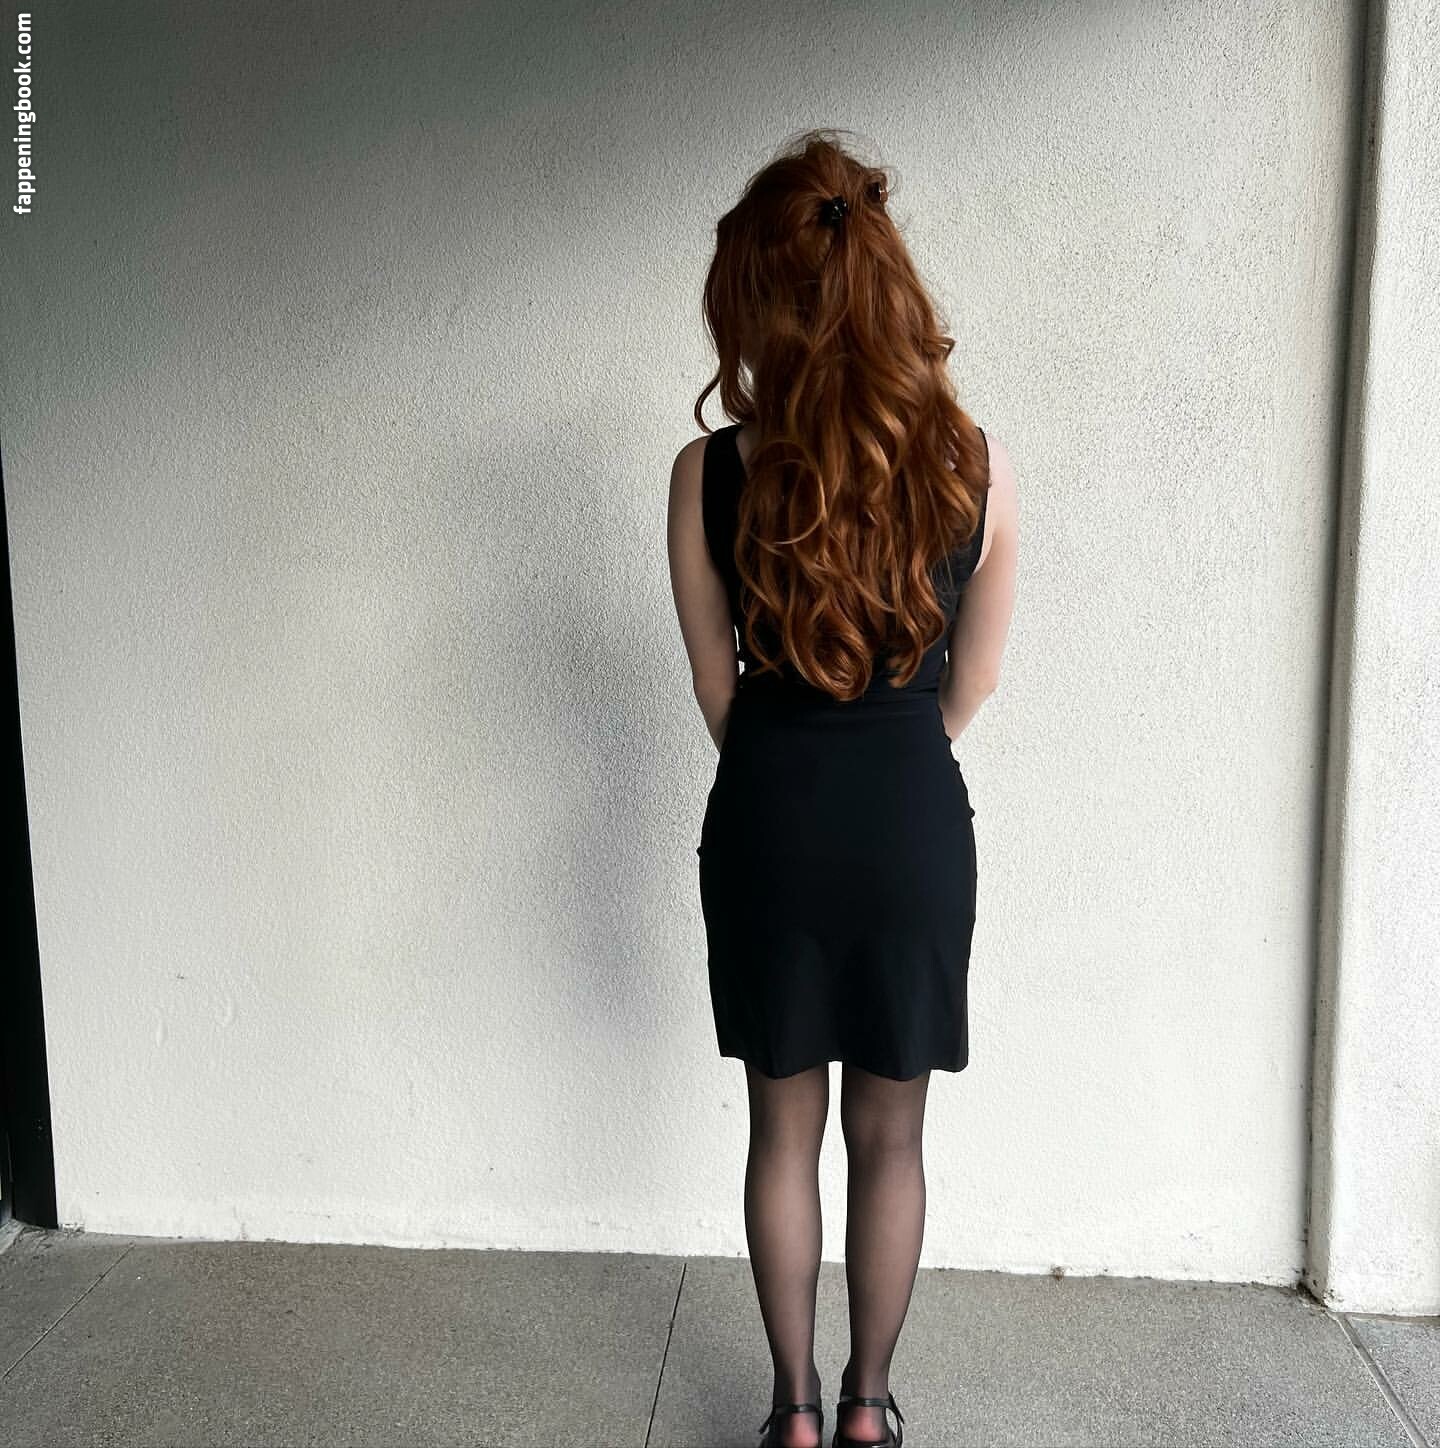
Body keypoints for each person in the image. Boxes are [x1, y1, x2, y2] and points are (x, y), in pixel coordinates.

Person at [666, 129, 1019, 1448]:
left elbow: (717, 690)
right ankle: (871, 1409)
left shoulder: (709, 474)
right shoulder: (974, 464)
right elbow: (972, 684)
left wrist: (789, 760)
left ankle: (797, 1414)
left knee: (781, 1128)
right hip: (912, 822)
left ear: (759, 297)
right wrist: (892, 753)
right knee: (893, 1135)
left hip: (769, 817)